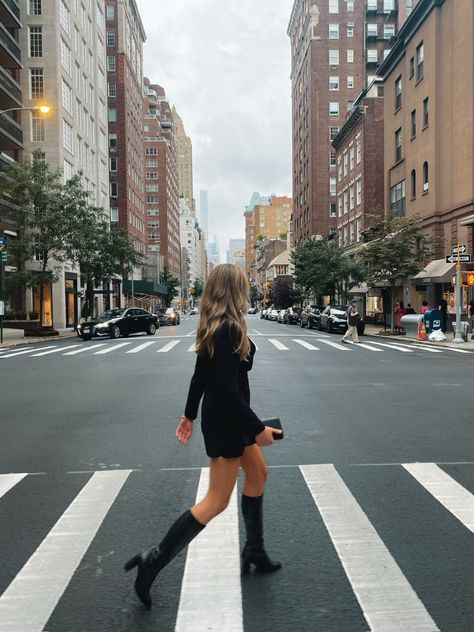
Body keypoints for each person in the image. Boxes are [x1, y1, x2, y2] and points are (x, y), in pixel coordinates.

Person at [125, 264, 282, 609]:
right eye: (244, 287)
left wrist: (188, 415)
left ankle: (254, 551)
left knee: (258, 473)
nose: (248, 293)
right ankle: (153, 559)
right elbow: (227, 390)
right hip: (229, 420)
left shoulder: (217, 326)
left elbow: (200, 376)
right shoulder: (227, 329)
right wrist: (257, 429)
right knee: (216, 500)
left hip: (225, 417)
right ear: (234, 290)